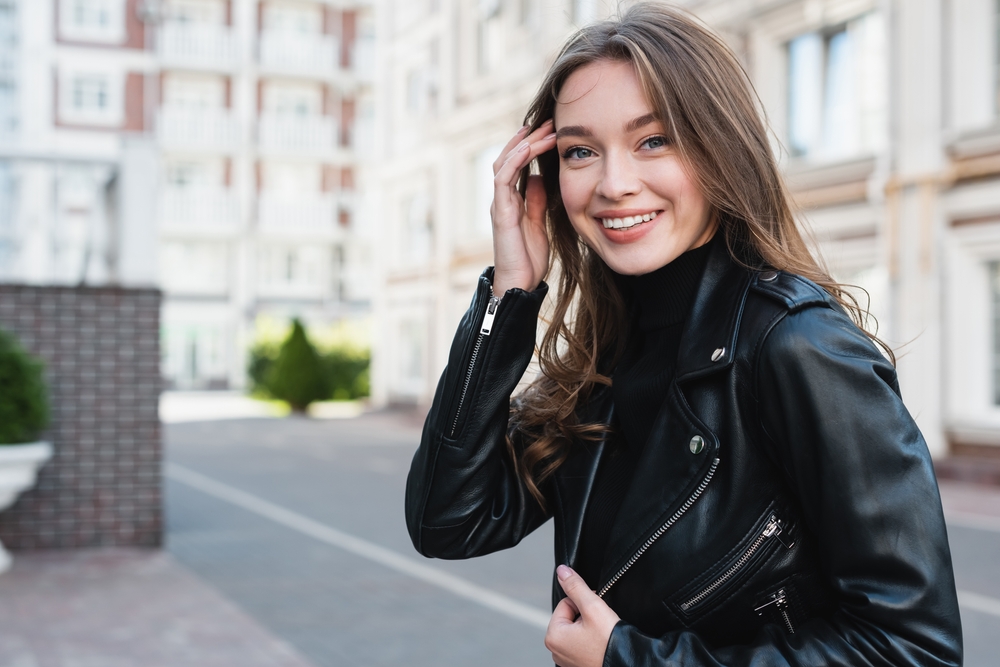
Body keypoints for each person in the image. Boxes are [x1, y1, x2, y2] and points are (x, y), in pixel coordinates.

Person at [404, 4, 963, 666]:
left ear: (718, 148)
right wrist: (509, 296)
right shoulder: (602, 361)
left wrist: (629, 660)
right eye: (581, 151)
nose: (614, 184)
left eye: (654, 140)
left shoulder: (798, 346)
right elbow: (450, 520)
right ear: (549, 179)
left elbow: (912, 649)